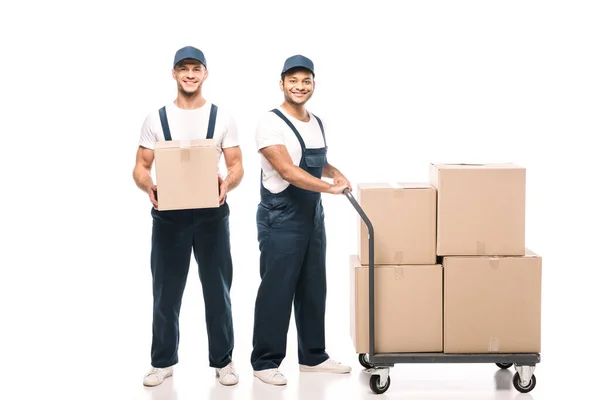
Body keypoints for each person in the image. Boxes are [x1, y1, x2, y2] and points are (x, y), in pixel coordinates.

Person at [132, 46, 244, 387]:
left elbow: (237, 164)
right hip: (169, 217)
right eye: (184, 69)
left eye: (196, 68)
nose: (190, 74)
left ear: (205, 73)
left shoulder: (222, 117)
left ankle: (223, 362)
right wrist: (147, 186)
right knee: (165, 291)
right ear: (174, 74)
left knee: (218, 290)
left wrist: (228, 183)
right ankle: (162, 362)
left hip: (212, 213)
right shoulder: (156, 118)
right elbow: (140, 165)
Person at [250, 54, 352, 386]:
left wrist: (335, 172)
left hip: (312, 217)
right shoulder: (271, 122)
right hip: (280, 217)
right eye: (292, 80)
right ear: (282, 84)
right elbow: (287, 170)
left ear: (313, 85)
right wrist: (329, 189)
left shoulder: (316, 121)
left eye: (306, 80)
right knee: (277, 289)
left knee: (313, 288)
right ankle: (265, 361)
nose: (299, 86)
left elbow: (314, 161)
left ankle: (313, 356)